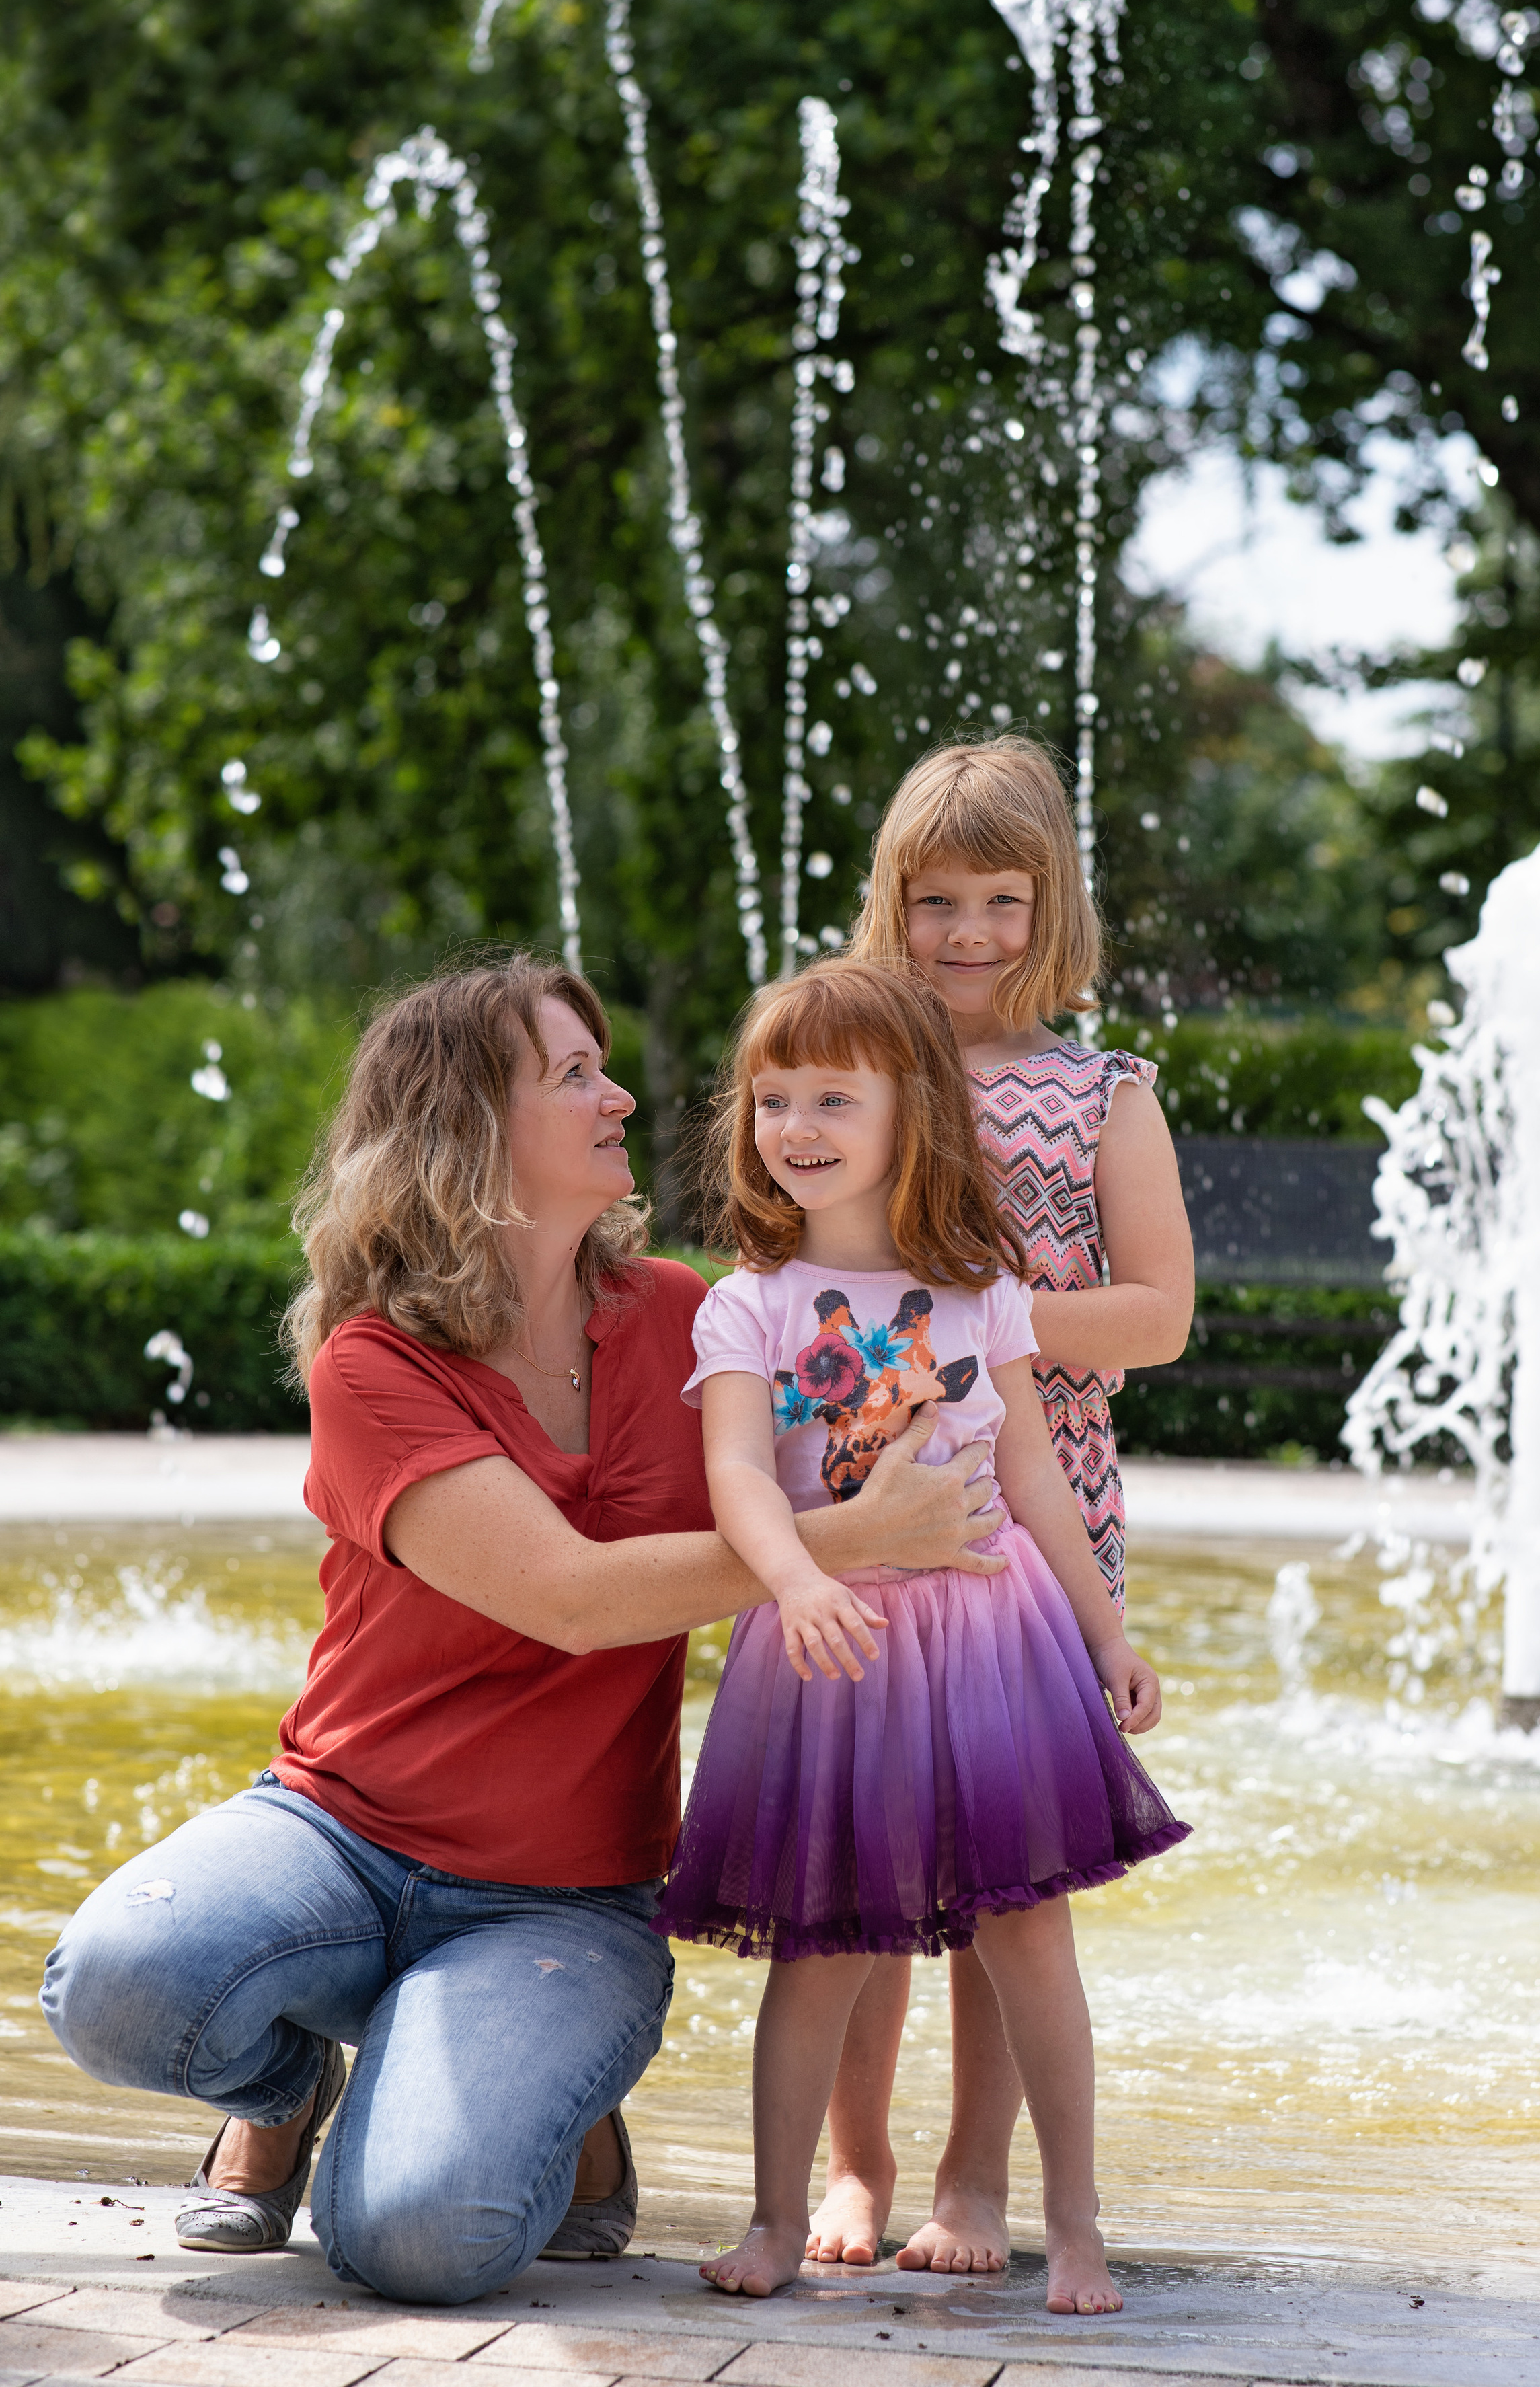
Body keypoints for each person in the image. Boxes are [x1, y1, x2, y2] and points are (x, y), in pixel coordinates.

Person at [38, 952, 1004, 2307]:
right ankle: (285, 2078)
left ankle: (534, 2093)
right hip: (338, 1837)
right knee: (116, 1981)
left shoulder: (690, 1321)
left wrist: (1045, 1544)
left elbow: (910, 1370)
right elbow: (561, 1594)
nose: (617, 1096)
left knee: (418, 2244)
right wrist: (839, 1548)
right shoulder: (372, 1361)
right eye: (571, 1074)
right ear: (467, 1131)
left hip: (561, 1900)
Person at [652, 960, 1189, 2315]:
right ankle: (782, 2214)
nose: (797, 1123)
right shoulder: (750, 1303)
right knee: (822, 1942)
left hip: (990, 1646)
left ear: (913, 1115)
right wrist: (795, 1581)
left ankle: (1070, 2224)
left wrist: (1103, 1635)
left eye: (834, 1094)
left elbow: (1032, 1479)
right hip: (829, 1651)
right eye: (774, 1097)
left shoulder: (979, 1288)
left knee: (1025, 1939)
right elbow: (734, 1478)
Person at [814, 732, 1196, 2274]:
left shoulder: (1101, 1095)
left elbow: (1160, 1314)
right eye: (935, 901)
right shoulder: (847, 1063)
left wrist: (998, 1320)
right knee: (853, 1847)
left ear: (1054, 909)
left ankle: (973, 2181)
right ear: (888, 904)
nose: (967, 935)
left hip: (1043, 1511)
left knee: (999, 1867)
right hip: (857, 1493)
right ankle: (853, 2164)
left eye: (1000, 900)